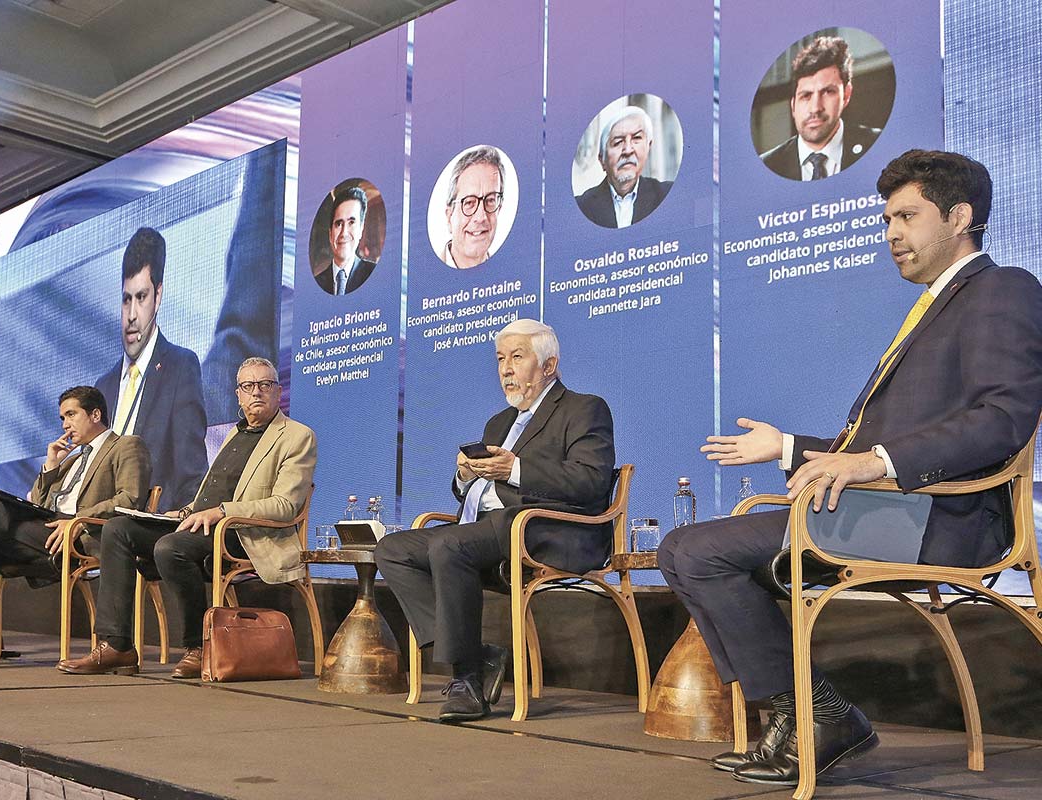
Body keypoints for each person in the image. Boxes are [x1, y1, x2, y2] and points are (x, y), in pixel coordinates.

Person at [658, 150, 1042, 785]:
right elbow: (866, 450)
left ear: (962, 216)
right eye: (886, 218)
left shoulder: (1003, 289)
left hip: (946, 517)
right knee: (691, 551)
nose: (892, 233)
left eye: (907, 216)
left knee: (695, 552)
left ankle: (818, 715)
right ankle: (813, 714)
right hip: (894, 508)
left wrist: (877, 460)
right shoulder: (934, 305)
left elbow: (1002, 417)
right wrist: (786, 449)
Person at [375, 319, 615, 722]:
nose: (505, 369)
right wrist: (465, 476)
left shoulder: (584, 408)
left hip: (545, 530)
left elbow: (590, 481)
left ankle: (466, 679)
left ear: (549, 365)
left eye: (517, 357)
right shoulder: (498, 422)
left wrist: (514, 470)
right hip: (484, 532)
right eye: (501, 359)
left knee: (449, 545)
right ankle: (479, 655)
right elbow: (476, 490)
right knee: (392, 549)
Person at [58, 357, 317, 678]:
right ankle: (118, 645)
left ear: (278, 392)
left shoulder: (297, 436)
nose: (257, 393)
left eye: (265, 385)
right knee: (119, 528)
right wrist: (183, 512)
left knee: (170, 548)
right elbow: (212, 494)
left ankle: (198, 645)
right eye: (248, 386)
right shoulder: (235, 435)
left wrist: (222, 512)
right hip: (204, 525)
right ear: (238, 394)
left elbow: (285, 505)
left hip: (245, 533)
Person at [0, 386, 151, 665]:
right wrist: (51, 465)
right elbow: (39, 503)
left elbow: (130, 498)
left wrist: (76, 520)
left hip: (82, 534)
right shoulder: (72, 458)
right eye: (62, 418)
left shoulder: (126, 445)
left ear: (95, 414)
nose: (65, 425)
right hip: (49, 531)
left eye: (71, 415)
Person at [94, 227, 208, 512]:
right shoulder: (103, 387)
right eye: (126, 299)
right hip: (93, 519)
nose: (131, 315)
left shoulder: (180, 367)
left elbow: (190, 473)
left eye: (141, 297)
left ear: (158, 297)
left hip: (144, 525)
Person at [760, 36, 882, 181]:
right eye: (806, 95)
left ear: (846, 95)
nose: (815, 108)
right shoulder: (768, 165)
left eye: (828, 92)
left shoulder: (878, 146)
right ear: (793, 105)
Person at [576, 106, 672, 228]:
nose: (627, 150)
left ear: (648, 147)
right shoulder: (582, 207)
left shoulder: (667, 195)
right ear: (602, 160)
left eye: (636, 138)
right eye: (618, 142)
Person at [439, 147, 506, 269]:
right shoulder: (421, 278)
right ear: (449, 217)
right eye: (469, 202)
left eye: (490, 200)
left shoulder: (511, 278)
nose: (481, 217)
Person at [314, 186, 377, 295]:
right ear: (330, 234)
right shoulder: (316, 284)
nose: (344, 233)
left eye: (351, 222)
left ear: (361, 229)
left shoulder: (375, 275)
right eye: (339, 224)